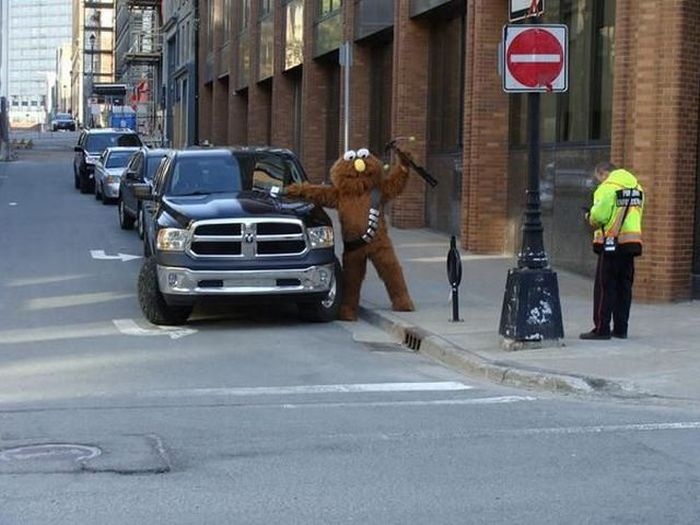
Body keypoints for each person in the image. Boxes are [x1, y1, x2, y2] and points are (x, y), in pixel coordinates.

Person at [580, 161, 644, 340]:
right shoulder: (637, 188)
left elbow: (599, 216)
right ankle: (621, 328)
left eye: (598, 178)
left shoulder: (606, 188)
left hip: (611, 244)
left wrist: (589, 215)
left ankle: (602, 328)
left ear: (603, 173)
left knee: (605, 287)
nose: (598, 182)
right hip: (631, 244)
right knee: (624, 287)